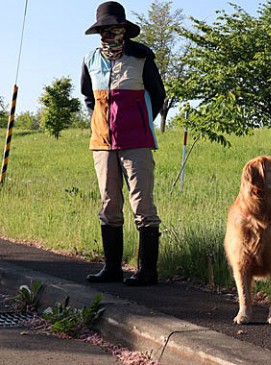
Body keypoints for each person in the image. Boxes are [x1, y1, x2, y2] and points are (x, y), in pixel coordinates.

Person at [80, 1, 166, 286]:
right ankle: (112, 268)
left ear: (124, 30)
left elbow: (157, 94)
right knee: (109, 203)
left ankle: (147, 272)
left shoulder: (141, 57)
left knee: (142, 202)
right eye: (104, 29)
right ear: (99, 31)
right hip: (102, 142)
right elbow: (89, 97)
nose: (109, 33)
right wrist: (100, 121)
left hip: (136, 141)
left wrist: (141, 120)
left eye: (115, 28)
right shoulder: (90, 59)